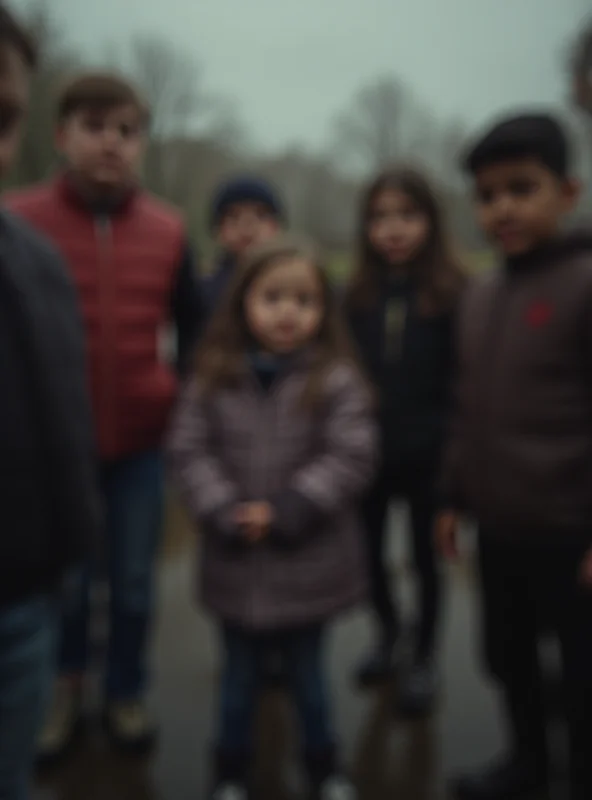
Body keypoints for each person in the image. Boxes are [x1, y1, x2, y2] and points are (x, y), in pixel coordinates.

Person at [5, 71, 204, 762]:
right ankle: (62, 694)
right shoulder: (17, 220)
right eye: (95, 127)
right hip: (49, 454)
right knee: (65, 583)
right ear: (60, 136)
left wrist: (173, 396)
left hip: (141, 450)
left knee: (133, 584)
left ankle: (124, 691)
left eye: (127, 131)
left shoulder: (172, 230)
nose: (112, 144)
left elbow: (198, 332)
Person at [167, 234, 376, 800]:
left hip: (308, 564)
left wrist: (289, 508)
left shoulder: (335, 379)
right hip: (234, 564)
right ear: (243, 303)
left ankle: (324, 766)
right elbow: (188, 450)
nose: (288, 311)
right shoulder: (212, 375)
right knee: (237, 680)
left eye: (304, 300)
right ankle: (230, 772)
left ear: (322, 311)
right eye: (273, 297)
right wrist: (223, 509)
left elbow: (351, 455)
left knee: (309, 679)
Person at [436, 114, 592, 800]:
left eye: (521, 188)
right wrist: (450, 496)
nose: (502, 208)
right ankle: (527, 765)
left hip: (573, 536)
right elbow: (467, 409)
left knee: (584, 678)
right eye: (487, 194)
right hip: (499, 532)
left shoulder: (585, 285)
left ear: (568, 191)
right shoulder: (480, 293)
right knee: (508, 660)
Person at [0, 6, 98, 798]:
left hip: (21, 604)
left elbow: (64, 418)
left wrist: (74, 543)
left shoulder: (35, 262)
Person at [345, 168, 465, 714]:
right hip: (367, 456)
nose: (393, 230)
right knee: (368, 556)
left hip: (431, 458)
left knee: (425, 559)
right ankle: (389, 635)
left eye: (407, 216)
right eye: (380, 218)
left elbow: (469, 382)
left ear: (430, 222)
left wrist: (457, 465)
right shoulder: (356, 294)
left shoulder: (454, 291)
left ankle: (424, 656)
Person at [204, 175, 284, 315]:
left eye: (261, 215)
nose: (247, 227)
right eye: (233, 216)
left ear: (278, 227)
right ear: (217, 229)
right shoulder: (202, 293)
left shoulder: (297, 287)